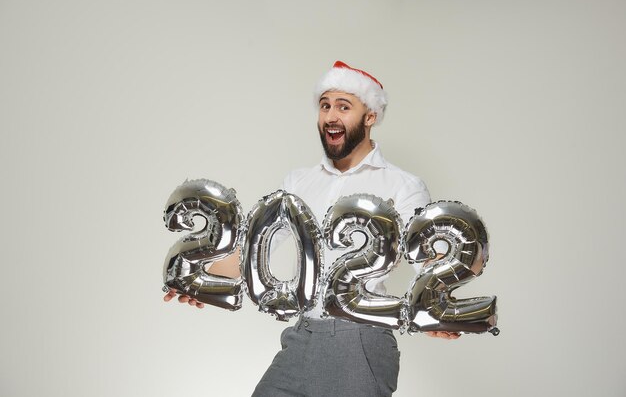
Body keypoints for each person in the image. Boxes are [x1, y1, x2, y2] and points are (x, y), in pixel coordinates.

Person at [164, 61, 459, 397]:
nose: (331, 116)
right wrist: (195, 278)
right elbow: (251, 254)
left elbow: (428, 263)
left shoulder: (402, 185)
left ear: (370, 116)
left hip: (359, 341)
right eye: (325, 105)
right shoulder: (299, 182)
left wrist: (440, 309)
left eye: (344, 106)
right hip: (301, 335)